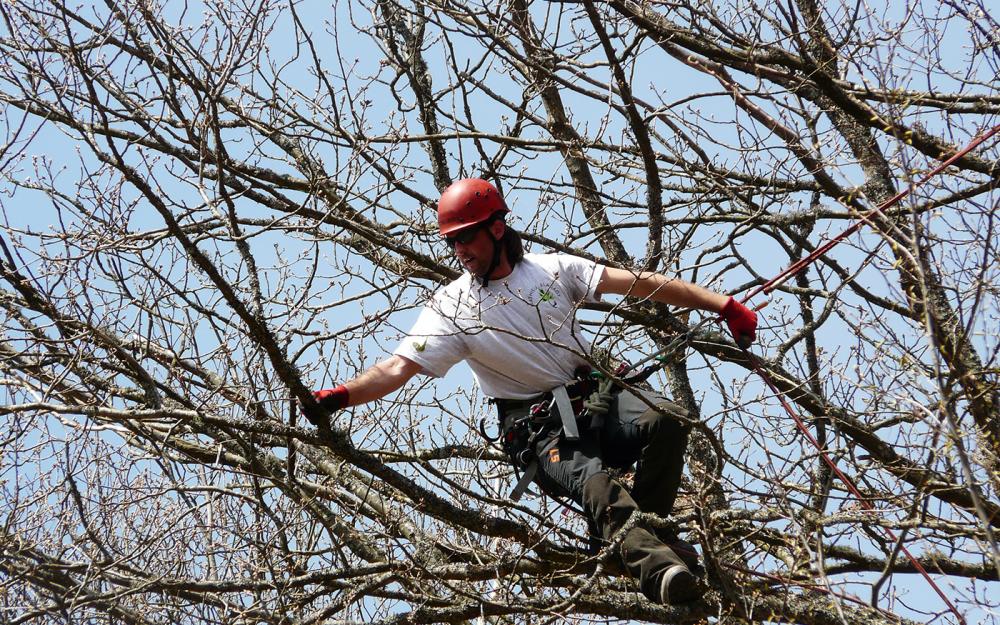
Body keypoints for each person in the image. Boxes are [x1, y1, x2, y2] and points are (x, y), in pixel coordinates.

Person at [305, 178, 757, 606]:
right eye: (453, 242)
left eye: (467, 238)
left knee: (670, 417)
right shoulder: (451, 307)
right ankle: (658, 570)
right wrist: (341, 395)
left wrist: (722, 304)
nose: (460, 250)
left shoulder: (553, 270)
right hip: (542, 431)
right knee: (594, 482)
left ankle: (646, 534)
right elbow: (397, 367)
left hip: (597, 402)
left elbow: (639, 283)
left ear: (497, 228)